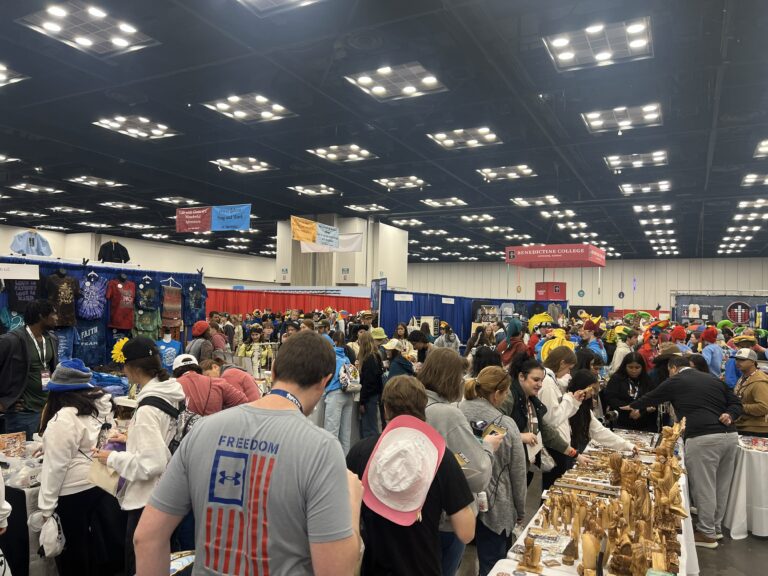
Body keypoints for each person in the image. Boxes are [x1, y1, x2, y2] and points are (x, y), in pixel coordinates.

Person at [134, 331, 362, 576]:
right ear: (325, 381)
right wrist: (351, 503)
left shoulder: (202, 430)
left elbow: (147, 537)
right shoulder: (322, 449)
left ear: (273, 371)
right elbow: (336, 569)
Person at [347, 376, 475, 576]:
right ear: (423, 409)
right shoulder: (441, 458)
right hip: (424, 567)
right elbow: (466, 533)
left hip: (374, 569)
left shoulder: (360, 452)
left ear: (386, 408)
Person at [625, 355, 743, 548]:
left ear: (672, 368)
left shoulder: (676, 380)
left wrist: (630, 405)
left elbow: (651, 397)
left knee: (704, 487)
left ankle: (707, 533)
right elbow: (737, 403)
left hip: (702, 438)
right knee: (721, 485)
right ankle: (715, 528)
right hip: (730, 436)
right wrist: (730, 414)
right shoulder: (713, 378)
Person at [93, 336, 185, 574]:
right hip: (169, 494)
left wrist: (111, 459)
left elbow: (152, 463)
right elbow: (164, 439)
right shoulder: (171, 392)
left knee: (141, 565)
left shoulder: (147, 409)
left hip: (147, 500)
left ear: (132, 368)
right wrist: (131, 438)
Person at [31, 359, 123, 576]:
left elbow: (55, 469)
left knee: (74, 554)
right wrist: (48, 445)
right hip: (100, 483)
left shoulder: (63, 418)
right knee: (98, 547)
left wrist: (46, 509)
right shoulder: (99, 408)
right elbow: (88, 441)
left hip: (72, 492)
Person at [418, 348, 501, 576]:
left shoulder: (414, 403)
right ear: (451, 377)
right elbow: (478, 475)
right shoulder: (448, 415)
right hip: (446, 520)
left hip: (413, 515)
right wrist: (487, 447)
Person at [460, 367, 527, 576]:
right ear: (497, 394)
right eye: (506, 393)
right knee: (494, 566)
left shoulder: (455, 413)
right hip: (497, 506)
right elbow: (517, 471)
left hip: (457, 501)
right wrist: (521, 509)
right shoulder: (506, 424)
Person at [501, 357, 576, 485]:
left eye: (541, 380)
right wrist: (520, 436)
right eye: (536, 380)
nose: (540, 384)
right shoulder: (508, 397)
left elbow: (546, 431)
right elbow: (492, 428)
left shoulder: (530, 400)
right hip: (506, 466)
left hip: (523, 463)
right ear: (521, 376)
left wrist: (574, 454)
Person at [0, 299, 59, 439]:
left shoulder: (52, 339)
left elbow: (51, 370)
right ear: (41, 316)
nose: (57, 318)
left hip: (46, 410)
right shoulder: (11, 340)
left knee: (40, 456)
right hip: (21, 413)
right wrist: (3, 402)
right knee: (17, 459)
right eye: (54, 314)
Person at [538, 346, 585, 489]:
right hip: (554, 444)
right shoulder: (547, 382)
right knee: (552, 488)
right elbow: (552, 419)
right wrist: (568, 400)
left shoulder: (551, 380)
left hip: (560, 441)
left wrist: (573, 402)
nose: (569, 372)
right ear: (562, 363)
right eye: (568, 368)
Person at [566, 370, 635, 454]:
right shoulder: (567, 403)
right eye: (592, 389)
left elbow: (599, 431)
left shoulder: (584, 408)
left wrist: (627, 445)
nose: (593, 394)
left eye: (595, 390)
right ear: (582, 386)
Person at [172, 355, 248, 415]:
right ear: (198, 368)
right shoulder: (218, 382)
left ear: (176, 371)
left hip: (183, 433)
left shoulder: (171, 386)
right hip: (213, 431)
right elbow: (242, 401)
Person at [603, 352, 658, 432]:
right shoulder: (617, 379)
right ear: (625, 366)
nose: (634, 371)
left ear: (642, 367)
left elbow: (653, 398)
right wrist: (630, 408)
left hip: (644, 424)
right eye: (630, 367)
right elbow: (610, 398)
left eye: (637, 367)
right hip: (621, 423)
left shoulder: (647, 380)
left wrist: (641, 410)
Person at [323, 334, 354, 455]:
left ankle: (331, 465)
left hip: (335, 395)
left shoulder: (329, 358)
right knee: (345, 433)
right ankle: (345, 465)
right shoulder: (346, 358)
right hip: (348, 394)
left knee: (331, 432)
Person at [732, 348, 768, 437]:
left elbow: (764, 407)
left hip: (756, 428)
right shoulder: (744, 377)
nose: (738, 362)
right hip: (744, 425)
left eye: (742, 360)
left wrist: (739, 407)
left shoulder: (759, 382)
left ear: (753, 362)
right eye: (737, 359)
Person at [358, 330, 384, 438]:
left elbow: (368, 383)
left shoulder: (368, 359)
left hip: (369, 398)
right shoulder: (375, 356)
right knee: (372, 425)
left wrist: (362, 401)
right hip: (374, 396)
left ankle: (369, 451)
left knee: (368, 428)